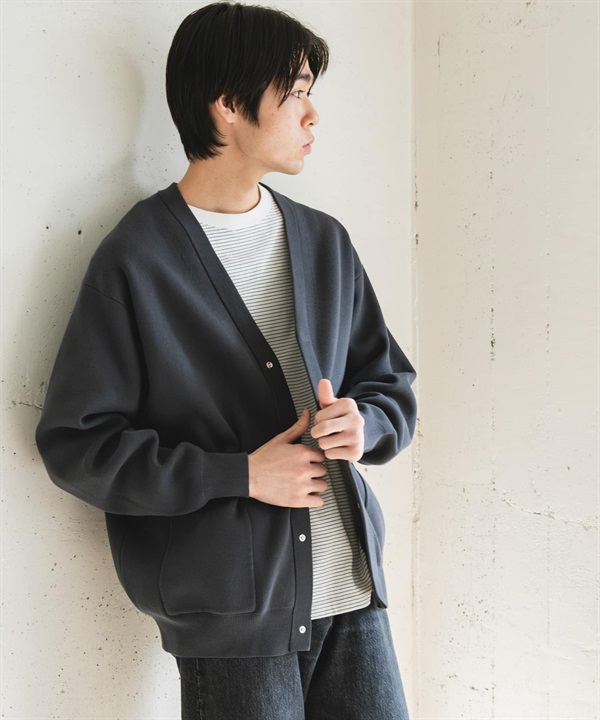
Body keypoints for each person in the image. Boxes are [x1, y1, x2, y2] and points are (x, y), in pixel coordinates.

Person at [36, 3, 417, 718]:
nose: (313, 115)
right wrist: (239, 474)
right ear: (231, 105)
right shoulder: (138, 260)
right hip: (235, 619)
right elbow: (77, 445)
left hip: (353, 591)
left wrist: (365, 423)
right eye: (296, 93)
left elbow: (390, 384)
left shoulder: (324, 242)